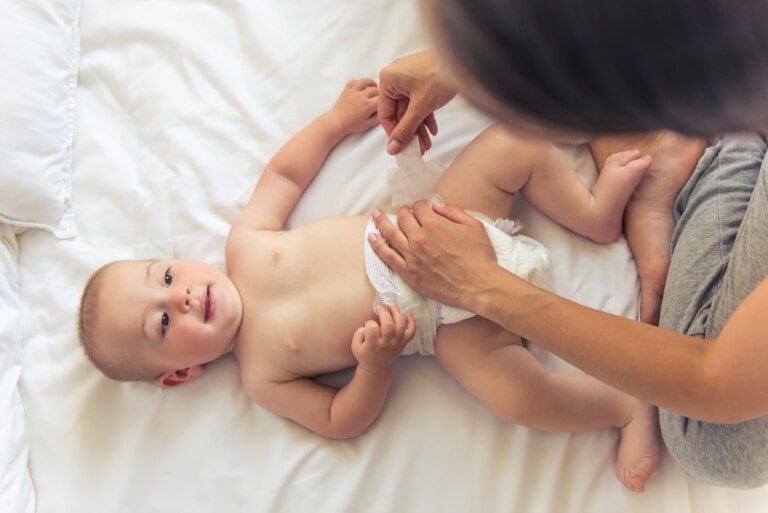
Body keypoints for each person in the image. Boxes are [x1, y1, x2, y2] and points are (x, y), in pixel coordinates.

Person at [77, 79, 662, 492]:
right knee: (518, 399)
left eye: (166, 276)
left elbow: (284, 174)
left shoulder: (246, 244)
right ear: (180, 374)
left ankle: (591, 213)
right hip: (448, 326)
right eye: (162, 323)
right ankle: (623, 407)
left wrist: (333, 123)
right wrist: (375, 366)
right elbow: (339, 420)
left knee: (513, 142)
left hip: (442, 221)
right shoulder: (263, 376)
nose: (178, 297)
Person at [370, 0, 768, 488]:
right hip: (442, 288)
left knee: (710, 441)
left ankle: (624, 405)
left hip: (454, 268)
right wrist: (467, 58)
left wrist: (484, 288)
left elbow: (719, 383)